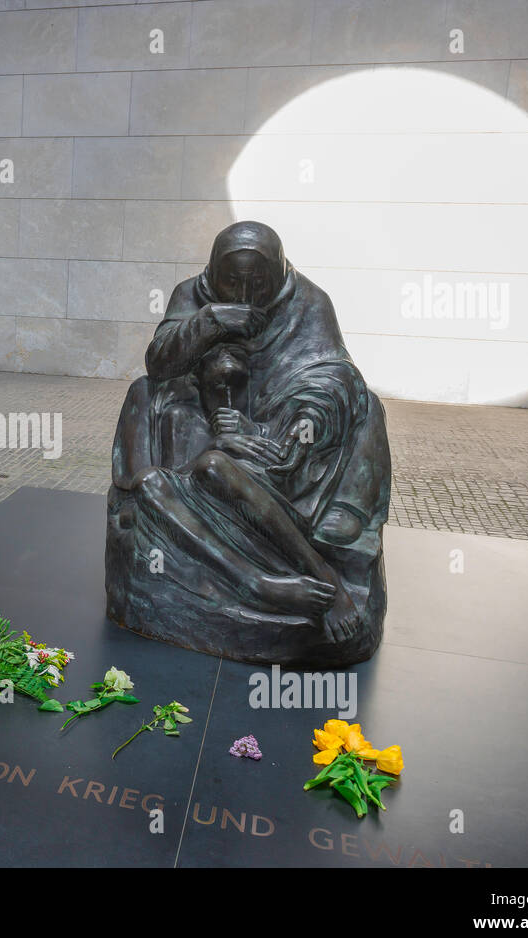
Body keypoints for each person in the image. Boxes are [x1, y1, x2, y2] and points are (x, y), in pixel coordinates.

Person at [109, 221, 391, 652]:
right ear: (213, 274)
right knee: (149, 403)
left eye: (256, 283)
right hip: (206, 426)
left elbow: (332, 373)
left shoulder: (309, 302)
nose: (243, 292)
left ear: (277, 276)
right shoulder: (193, 295)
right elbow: (160, 363)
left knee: (366, 404)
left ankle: (331, 528)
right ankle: (263, 575)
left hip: (279, 423)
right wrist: (209, 321)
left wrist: (304, 418)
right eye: (232, 281)